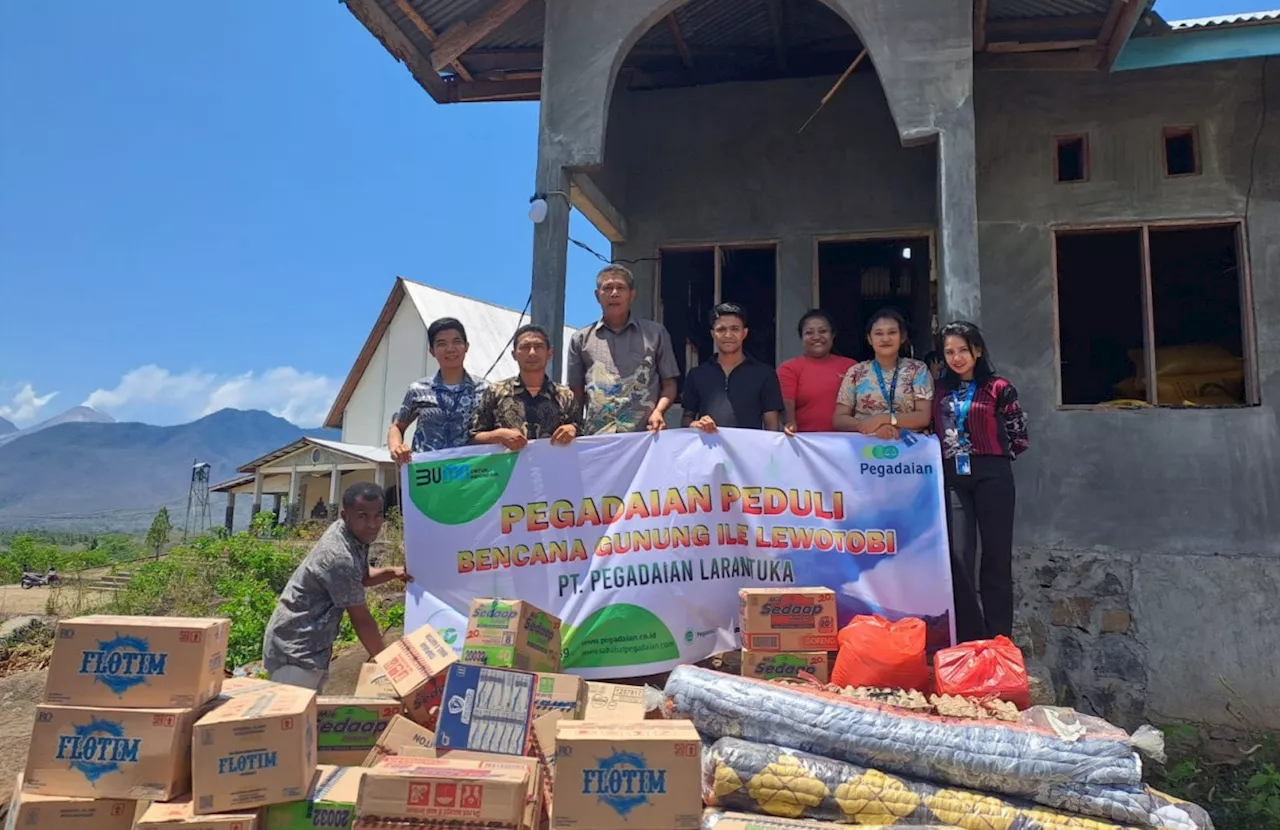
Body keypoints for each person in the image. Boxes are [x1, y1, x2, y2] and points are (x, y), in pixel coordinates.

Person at [262, 482, 412, 692]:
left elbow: (361, 577)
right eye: (362, 516)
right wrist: (391, 667)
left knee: (311, 720)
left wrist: (392, 572)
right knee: (292, 721)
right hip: (295, 651)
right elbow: (361, 620)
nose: (372, 524)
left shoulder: (351, 535)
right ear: (345, 515)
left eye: (378, 515)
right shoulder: (338, 557)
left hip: (314, 649)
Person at [933, 321, 1029, 641]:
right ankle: (971, 639)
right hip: (953, 479)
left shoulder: (999, 387)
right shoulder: (938, 389)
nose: (956, 357)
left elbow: (1019, 437)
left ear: (977, 351)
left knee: (997, 557)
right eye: (949, 351)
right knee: (959, 558)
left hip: (993, 476)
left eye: (963, 350)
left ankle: (999, 639)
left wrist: (990, 457)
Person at [567, 264, 680, 435]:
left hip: (644, 436)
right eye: (607, 288)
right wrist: (574, 426)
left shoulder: (656, 334)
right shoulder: (581, 339)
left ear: (632, 295)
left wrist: (658, 412)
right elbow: (576, 392)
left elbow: (670, 384)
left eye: (620, 288)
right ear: (598, 296)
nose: (614, 293)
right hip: (597, 437)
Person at [388, 317, 487, 463]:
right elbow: (397, 426)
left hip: (471, 474)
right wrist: (396, 448)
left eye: (457, 342)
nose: (450, 349)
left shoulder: (485, 389)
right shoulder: (418, 389)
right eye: (442, 344)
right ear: (432, 351)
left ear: (466, 346)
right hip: (428, 475)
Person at [471, 324, 582, 449]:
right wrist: (497, 436)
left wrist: (572, 429)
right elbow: (474, 437)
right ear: (514, 354)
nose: (532, 353)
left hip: (552, 467)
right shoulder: (495, 392)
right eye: (525, 347)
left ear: (549, 353)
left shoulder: (565, 395)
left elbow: (582, 433)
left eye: (538, 346)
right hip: (508, 468)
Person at [681, 303, 784, 433]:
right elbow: (687, 418)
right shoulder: (697, 374)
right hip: (708, 450)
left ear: (744, 333)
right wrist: (695, 425)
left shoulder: (765, 374)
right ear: (713, 334)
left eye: (735, 329)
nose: (728, 335)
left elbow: (772, 427)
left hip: (749, 451)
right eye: (721, 329)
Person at [832, 308, 933, 439]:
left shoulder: (917, 370)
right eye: (879, 334)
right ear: (869, 339)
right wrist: (873, 427)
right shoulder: (856, 372)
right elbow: (839, 419)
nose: (885, 339)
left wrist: (884, 419)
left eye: (892, 332)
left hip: (909, 449)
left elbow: (923, 417)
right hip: (864, 449)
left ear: (902, 337)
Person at [777, 309, 856, 435]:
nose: (816, 337)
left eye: (823, 331)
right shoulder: (789, 368)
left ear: (833, 334)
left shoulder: (851, 366)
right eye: (809, 332)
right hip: (806, 445)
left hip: (846, 443)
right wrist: (790, 423)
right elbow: (787, 402)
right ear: (801, 337)